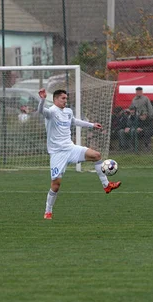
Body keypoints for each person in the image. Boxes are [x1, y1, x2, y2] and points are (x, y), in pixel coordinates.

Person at [37, 89, 121, 220]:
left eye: (66, 98)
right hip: (57, 153)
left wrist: (91, 125)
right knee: (56, 185)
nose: (65, 100)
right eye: (62, 98)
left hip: (70, 148)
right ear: (55, 99)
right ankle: (48, 211)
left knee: (96, 155)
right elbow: (41, 111)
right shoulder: (52, 112)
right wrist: (42, 100)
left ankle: (106, 185)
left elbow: (74, 121)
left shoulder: (68, 112)